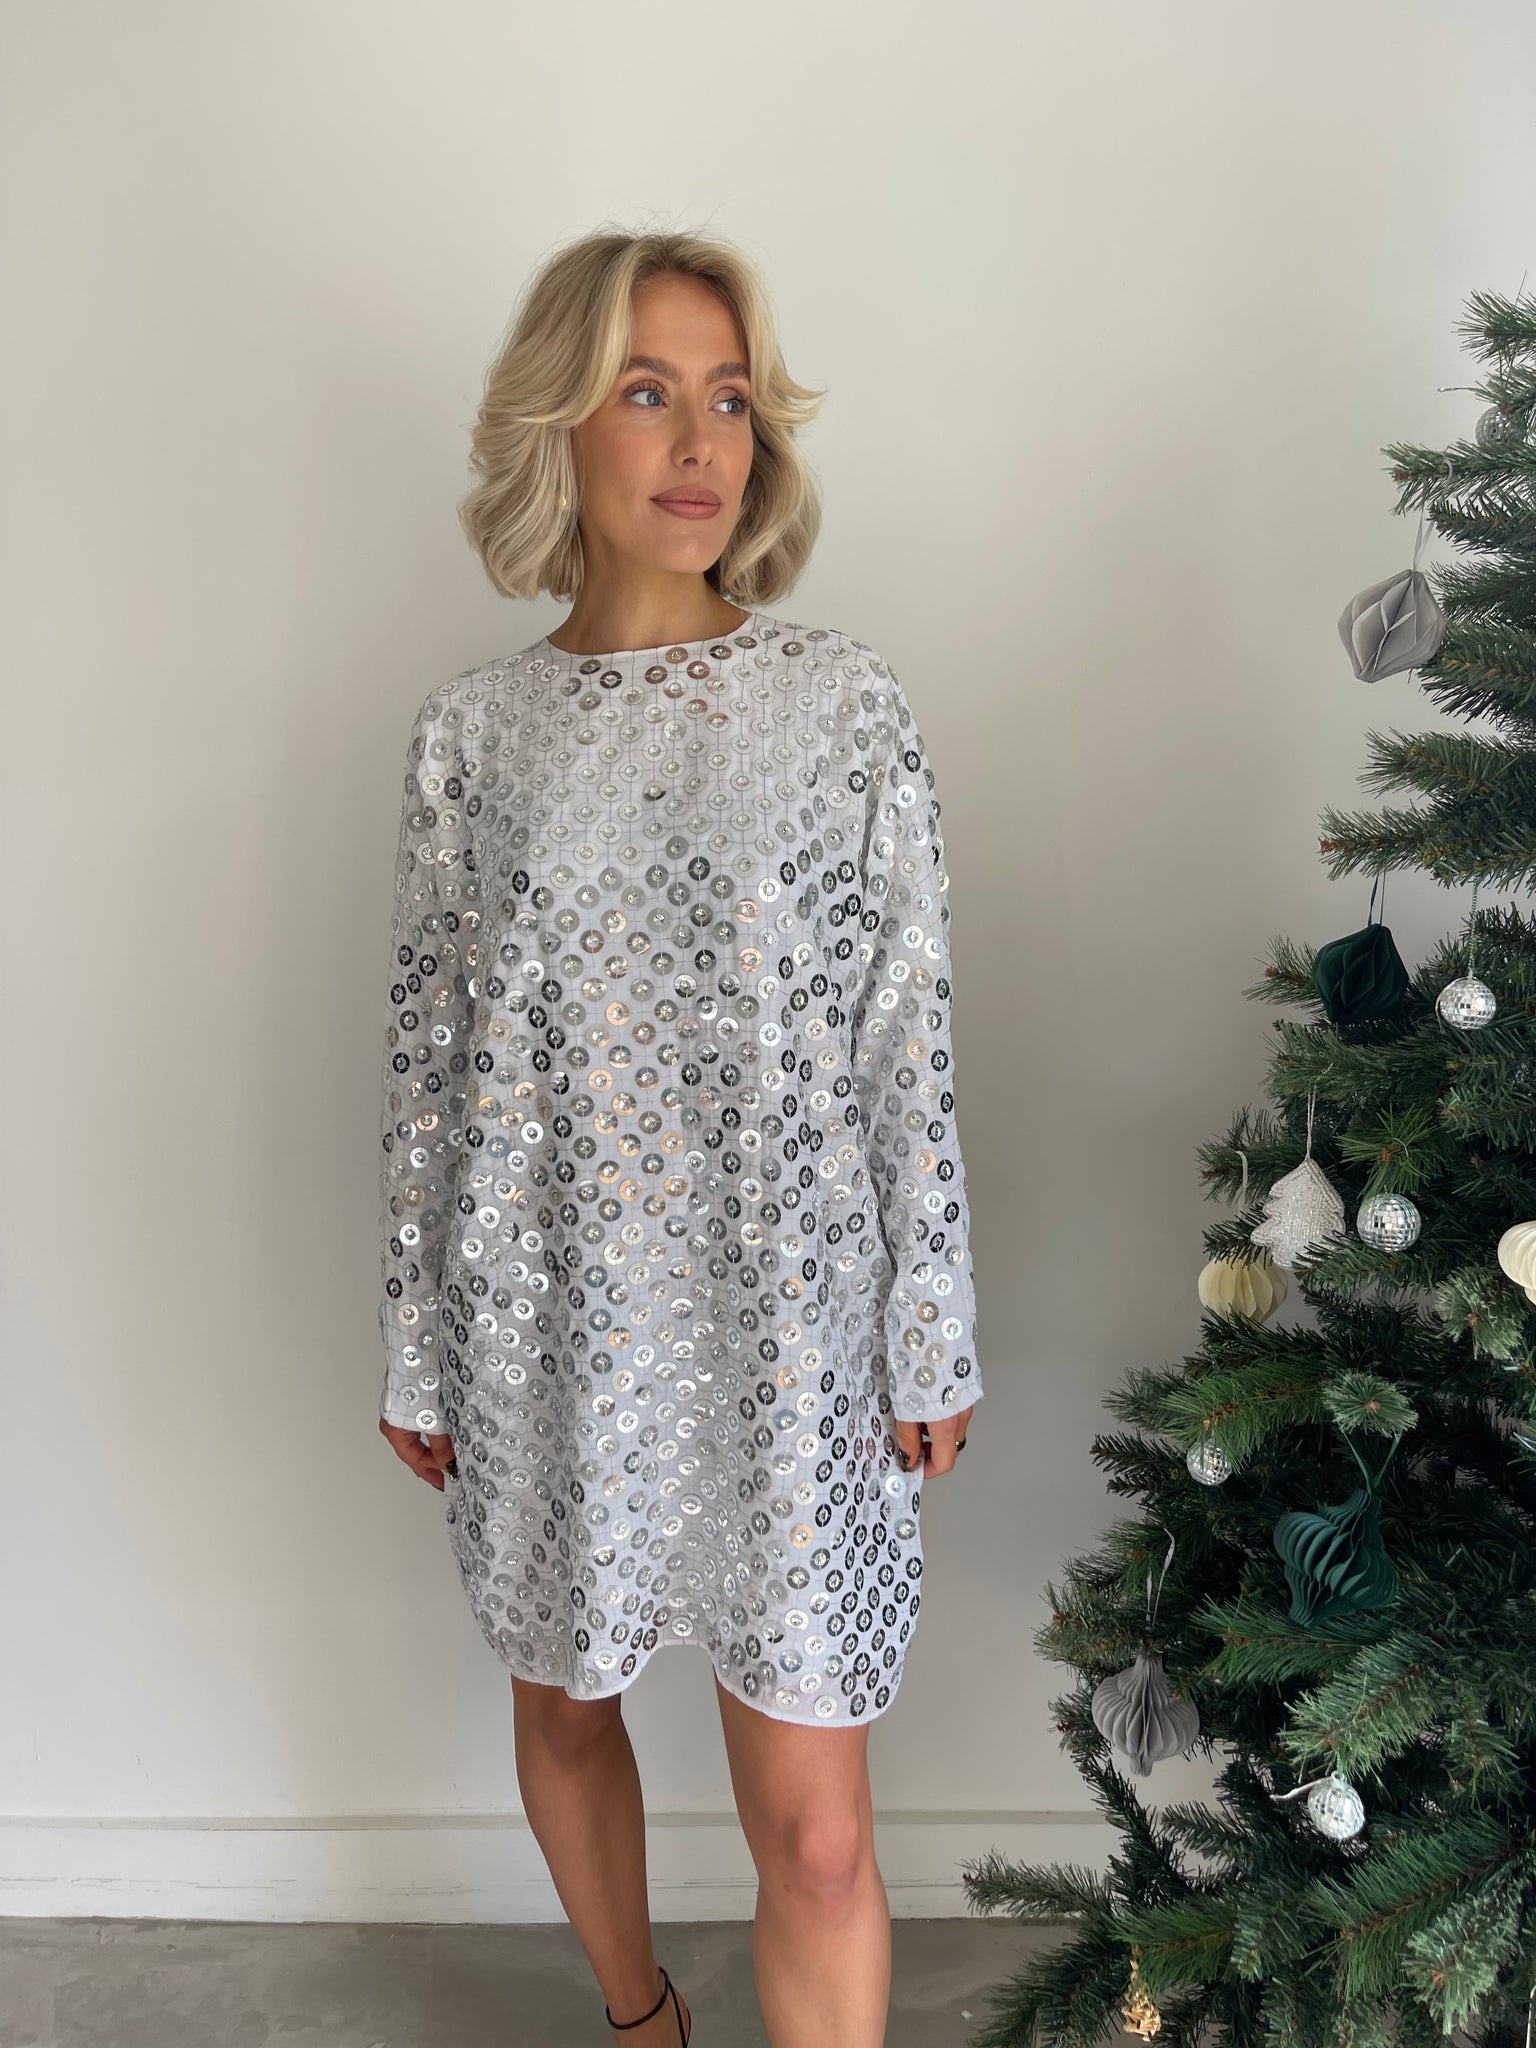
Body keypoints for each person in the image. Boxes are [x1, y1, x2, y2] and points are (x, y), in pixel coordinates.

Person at [374, 226, 983, 2048]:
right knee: (567, 1709)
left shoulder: (841, 705)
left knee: (818, 1834)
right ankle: (642, 2021)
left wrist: (929, 1317)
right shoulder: (472, 740)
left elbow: (905, 1038)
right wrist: (417, 1337)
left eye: (729, 397)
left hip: (792, 1334)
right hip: (552, 1326)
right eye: (647, 392)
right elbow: (431, 1073)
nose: (702, 440)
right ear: (560, 426)